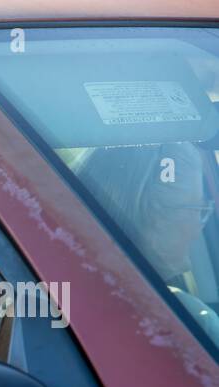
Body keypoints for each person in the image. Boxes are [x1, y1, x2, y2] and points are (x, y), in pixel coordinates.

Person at [72, 141, 219, 346]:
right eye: (197, 209)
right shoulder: (193, 322)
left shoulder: (51, 297)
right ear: (152, 214)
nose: (199, 226)